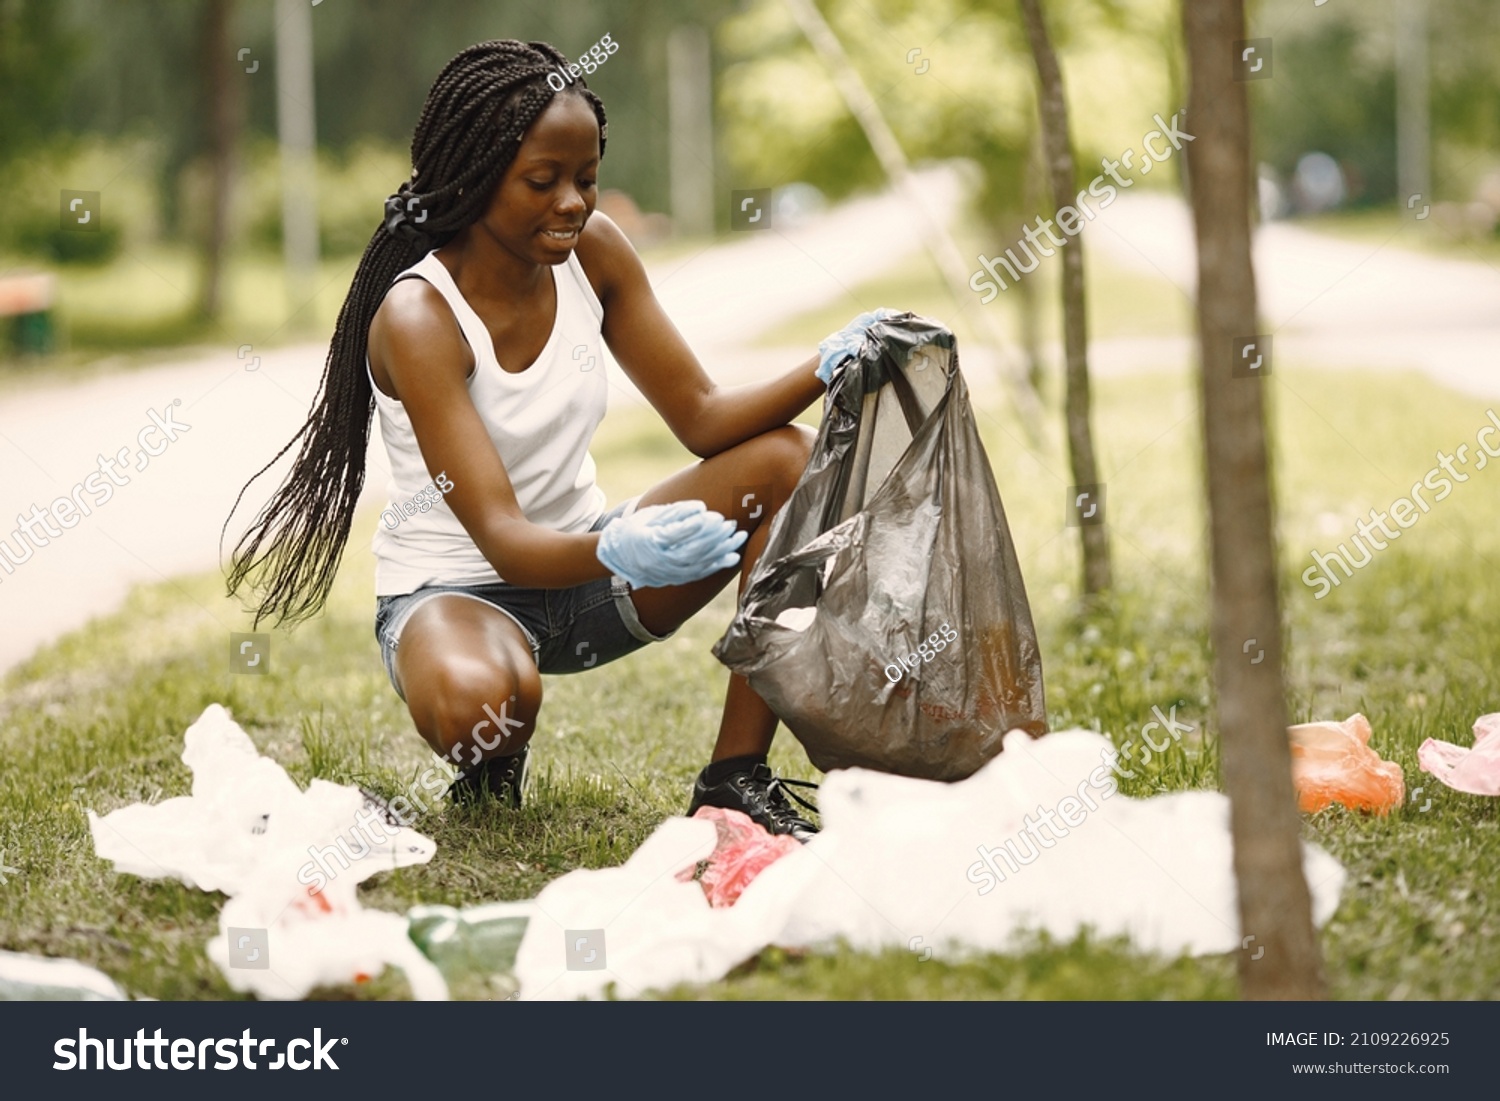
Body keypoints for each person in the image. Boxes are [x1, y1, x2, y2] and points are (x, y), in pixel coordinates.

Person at [225, 39, 882, 842]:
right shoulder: (419, 318)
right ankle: (492, 762)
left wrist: (825, 364)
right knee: (489, 707)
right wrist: (623, 551)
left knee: (787, 459)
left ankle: (732, 779)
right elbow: (502, 539)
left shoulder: (594, 253)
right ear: (472, 177)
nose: (573, 202)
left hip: (589, 572)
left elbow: (704, 414)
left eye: (587, 177)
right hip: (457, 591)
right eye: (543, 181)